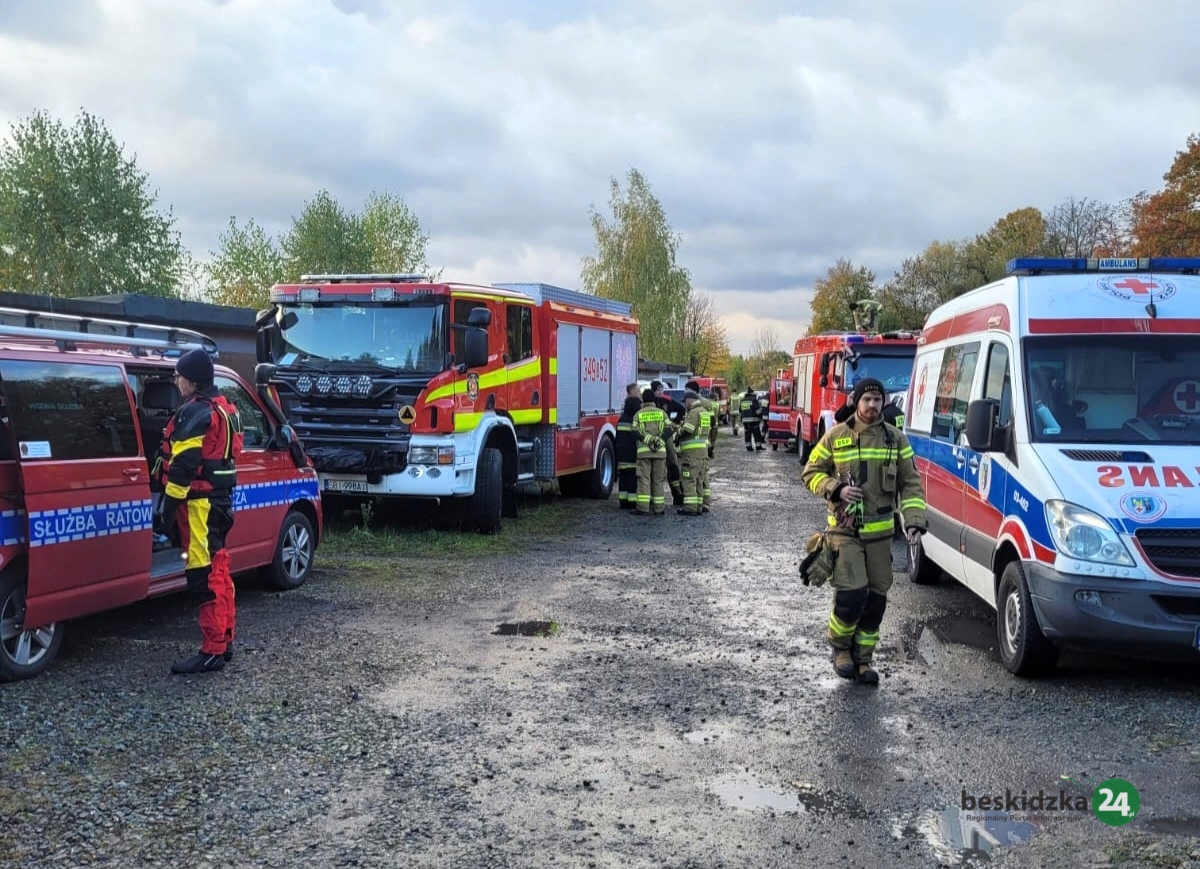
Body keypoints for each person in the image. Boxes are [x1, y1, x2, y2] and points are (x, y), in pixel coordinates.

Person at [801, 377, 927, 685]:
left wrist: (914, 522)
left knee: (876, 601)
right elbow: (810, 472)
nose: (872, 405)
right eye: (866, 399)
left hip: (881, 536)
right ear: (856, 402)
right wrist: (836, 489)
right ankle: (840, 649)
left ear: (883, 403)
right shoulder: (835, 436)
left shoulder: (896, 440)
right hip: (845, 532)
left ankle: (863, 659)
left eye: (877, 399)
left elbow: (910, 484)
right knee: (852, 594)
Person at [154, 348, 244, 675]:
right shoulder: (225, 408)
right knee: (218, 569)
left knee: (204, 577)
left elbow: (183, 467)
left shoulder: (195, 412)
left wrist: (166, 509)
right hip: (218, 501)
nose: (176, 382)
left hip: (199, 507)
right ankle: (225, 640)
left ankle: (212, 650)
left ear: (191, 380)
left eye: (178, 376)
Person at [675, 390, 713, 515]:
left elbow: (688, 429)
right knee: (700, 480)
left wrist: (678, 431)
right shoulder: (704, 412)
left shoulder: (693, 412)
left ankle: (690, 508)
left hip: (691, 454)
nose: (685, 405)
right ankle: (700, 506)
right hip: (703, 452)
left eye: (685, 402)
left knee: (689, 479)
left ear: (689, 400)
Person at [633, 388, 670, 516]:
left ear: (643, 399)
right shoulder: (662, 413)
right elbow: (669, 429)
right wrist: (658, 441)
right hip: (660, 452)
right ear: (654, 400)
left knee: (644, 479)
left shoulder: (638, 414)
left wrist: (648, 440)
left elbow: (635, 431)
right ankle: (659, 508)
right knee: (658, 480)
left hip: (644, 452)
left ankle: (642, 508)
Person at [651, 381, 686, 506]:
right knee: (653, 465)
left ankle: (677, 495)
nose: (661, 392)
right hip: (653, 436)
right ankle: (652, 497)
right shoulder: (651, 401)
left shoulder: (667, 400)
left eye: (662, 389)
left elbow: (681, 409)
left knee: (672, 463)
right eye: (658, 390)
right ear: (653, 390)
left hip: (667, 436)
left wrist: (674, 423)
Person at [615, 394, 642, 509]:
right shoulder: (635, 420)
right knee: (632, 480)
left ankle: (622, 502)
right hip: (632, 454)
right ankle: (632, 502)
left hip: (621, 454)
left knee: (623, 479)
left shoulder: (622, 418)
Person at [739, 387, 764, 451]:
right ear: (752, 394)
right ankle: (758, 446)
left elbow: (740, 411)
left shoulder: (742, 400)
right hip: (754, 420)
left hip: (745, 421)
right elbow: (758, 411)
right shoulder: (754, 400)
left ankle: (748, 447)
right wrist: (761, 417)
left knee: (747, 433)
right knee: (756, 433)